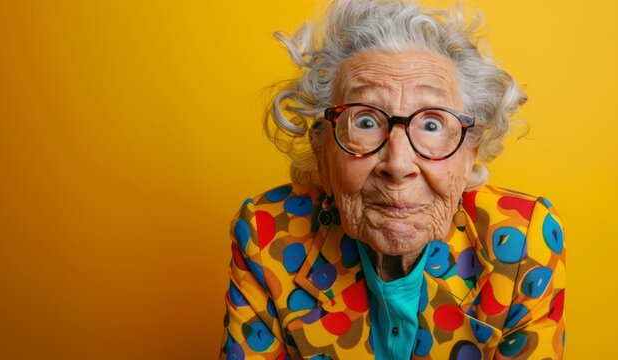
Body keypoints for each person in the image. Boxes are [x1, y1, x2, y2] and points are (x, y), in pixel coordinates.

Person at [219, 0, 565, 359]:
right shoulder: (265, 237)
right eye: (366, 121)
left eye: (431, 124)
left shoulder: (522, 243)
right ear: (322, 153)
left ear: (468, 156)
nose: (398, 165)